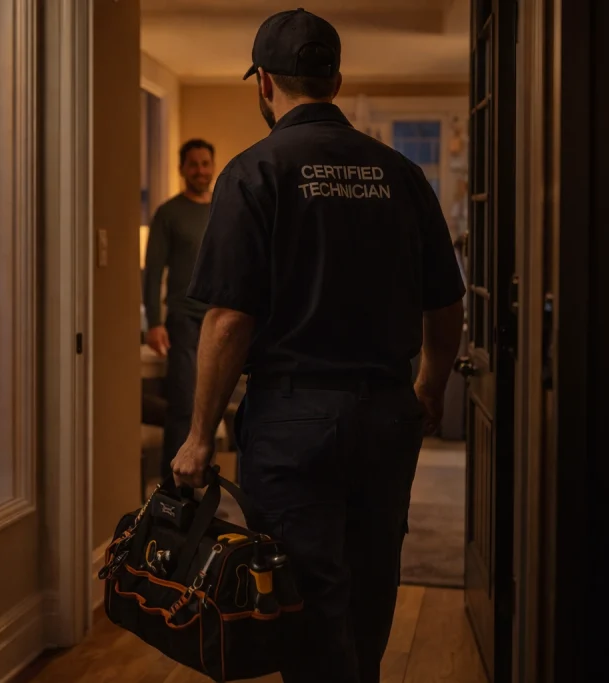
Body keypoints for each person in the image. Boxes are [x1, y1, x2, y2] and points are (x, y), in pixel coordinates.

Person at [169, 9, 465, 683]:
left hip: (291, 420)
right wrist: (429, 387)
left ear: (264, 85)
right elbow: (446, 304)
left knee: (300, 596)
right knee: (371, 583)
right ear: (335, 79)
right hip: (387, 414)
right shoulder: (402, 174)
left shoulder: (253, 173)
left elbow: (227, 321)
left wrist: (197, 435)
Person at [143, 138, 216, 481]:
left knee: (214, 407)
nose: (201, 171)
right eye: (194, 165)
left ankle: (204, 487)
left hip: (220, 319)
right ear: (182, 169)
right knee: (184, 405)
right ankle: (172, 492)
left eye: (206, 164)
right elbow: (154, 269)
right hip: (184, 320)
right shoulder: (169, 213)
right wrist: (154, 323)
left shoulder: (222, 208)